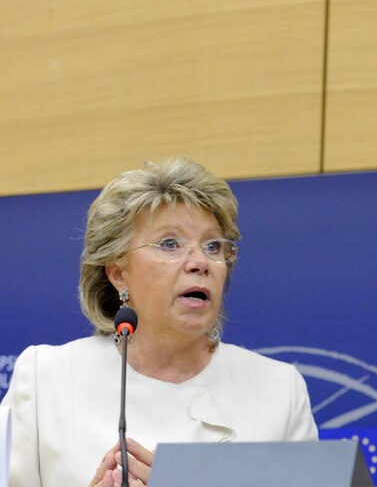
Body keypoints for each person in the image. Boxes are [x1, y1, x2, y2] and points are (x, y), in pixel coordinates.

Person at [1, 157, 319, 487]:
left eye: (213, 246)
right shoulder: (44, 380)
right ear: (119, 273)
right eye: (170, 243)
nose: (200, 262)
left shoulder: (278, 391)